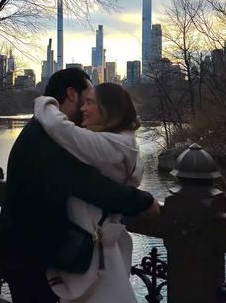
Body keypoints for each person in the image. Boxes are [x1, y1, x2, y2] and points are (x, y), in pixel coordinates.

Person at [0, 68, 159, 303]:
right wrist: (144, 201)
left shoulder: (43, 131)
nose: (86, 106)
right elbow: (89, 185)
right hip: (28, 258)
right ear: (72, 94)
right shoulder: (46, 137)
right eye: (88, 96)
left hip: (31, 252)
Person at [34, 82, 151, 303]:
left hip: (95, 258)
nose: (82, 109)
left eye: (90, 103)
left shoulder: (109, 146)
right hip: (101, 250)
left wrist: (46, 102)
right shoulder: (122, 143)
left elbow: (61, 129)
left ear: (108, 110)